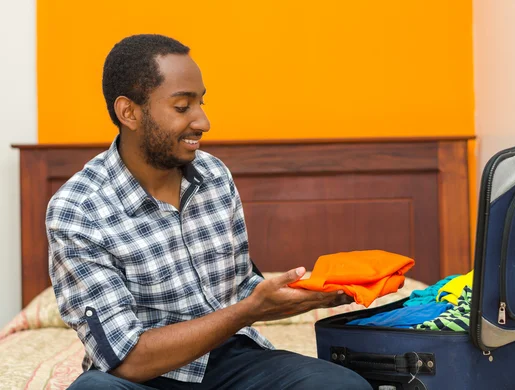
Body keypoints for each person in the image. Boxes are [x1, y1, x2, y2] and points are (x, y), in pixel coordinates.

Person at [46, 34, 371, 390]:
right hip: (145, 376)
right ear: (130, 112)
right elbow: (127, 359)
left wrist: (307, 292)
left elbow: (241, 289)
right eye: (183, 107)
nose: (203, 122)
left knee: (343, 386)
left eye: (201, 103)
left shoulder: (214, 176)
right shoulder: (79, 209)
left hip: (232, 359)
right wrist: (248, 310)